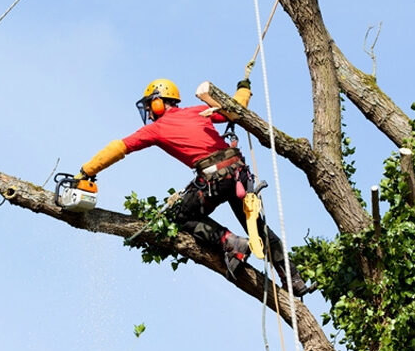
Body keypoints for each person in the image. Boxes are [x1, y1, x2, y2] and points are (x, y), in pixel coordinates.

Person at [76, 78, 309, 296]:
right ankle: (293, 278)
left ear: (158, 102)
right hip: (237, 174)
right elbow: (237, 108)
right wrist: (244, 88)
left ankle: (230, 242)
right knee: (257, 228)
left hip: (214, 178)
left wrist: (87, 170)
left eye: (150, 105)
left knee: (180, 215)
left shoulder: (156, 129)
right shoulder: (198, 111)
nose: (148, 111)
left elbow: (120, 147)